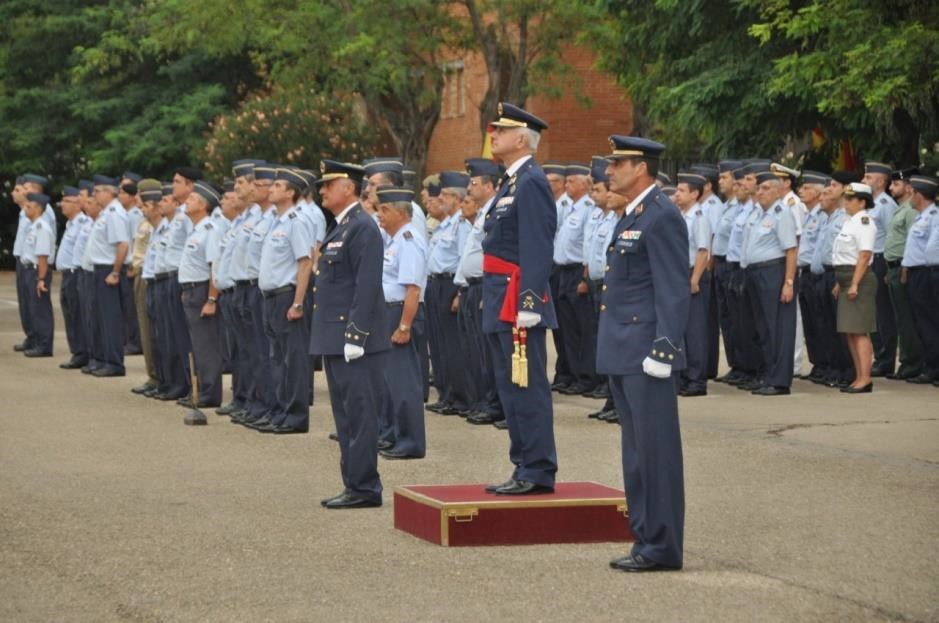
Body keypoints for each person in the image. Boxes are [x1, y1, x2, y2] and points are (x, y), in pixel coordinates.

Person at [597, 135, 689, 572]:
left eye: (618, 163)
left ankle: (662, 545)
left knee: (655, 453)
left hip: (646, 352)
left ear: (642, 168)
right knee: (635, 454)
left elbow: (673, 289)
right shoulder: (632, 214)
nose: (609, 170)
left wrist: (665, 348)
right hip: (623, 349)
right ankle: (644, 537)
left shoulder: (661, 216)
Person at [481, 102, 558, 496]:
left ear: (522, 138)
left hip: (516, 300)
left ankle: (538, 468)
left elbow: (537, 246)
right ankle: (522, 462)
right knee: (509, 387)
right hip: (500, 295)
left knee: (525, 386)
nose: (493, 134)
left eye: (501, 129)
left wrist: (530, 303)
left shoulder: (532, 182)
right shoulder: (512, 182)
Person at [312, 160, 388, 509]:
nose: (322, 190)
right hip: (334, 335)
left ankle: (364, 487)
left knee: (359, 414)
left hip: (353, 339)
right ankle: (353, 483)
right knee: (345, 415)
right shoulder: (341, 227)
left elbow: (367, 285)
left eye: (329, 184)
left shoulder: (362, 227)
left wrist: (356, 334)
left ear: (348, 187)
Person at [248, 167, 315, 434]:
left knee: (293, 359)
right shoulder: (276, 220)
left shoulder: (296, 221)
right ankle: (279, 411)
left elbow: (306, 262)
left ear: (290, 192)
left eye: (277, 186)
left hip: (287, 296)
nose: (271, 189)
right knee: (276, 359)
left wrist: (298, 303)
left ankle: (295, 416)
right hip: (270, 297)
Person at [375, 185, 428, 458]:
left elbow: (413, 289)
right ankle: (396, 435)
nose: (379, 214)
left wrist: (404, 326)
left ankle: (410, 443)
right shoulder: (394, 240)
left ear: (400, 212)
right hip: (389, 312)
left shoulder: (408, 239)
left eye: (384, 209)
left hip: (400, 314)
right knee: (391, 381)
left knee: (404, 381)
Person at [740, 169, 798, 396]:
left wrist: (789, 282)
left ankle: (780, 380)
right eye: (760, 188)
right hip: (754, 273)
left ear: (778, 191)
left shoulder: (781, 212)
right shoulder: (757, 214)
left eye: (766, 189)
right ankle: (768, 375)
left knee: (777, 328)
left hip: (773, 272)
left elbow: (791, 250)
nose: (760, 192)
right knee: (762, 328)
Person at [458, 158, 505, 427]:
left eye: (473, 183)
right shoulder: (484, 211)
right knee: (479, 351)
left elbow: (494, 255)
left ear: (489, 186)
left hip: (486, 287)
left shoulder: (493, 211)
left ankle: (494, 404)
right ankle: (485, 401)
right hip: (474, 287)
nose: (469, 188)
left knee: (489, 353)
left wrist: (489, 290)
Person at [425, 171, 473, 415]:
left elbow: (464, 258)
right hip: (435, 284)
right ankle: (445, 394)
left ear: (457, 198)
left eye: (445, 194)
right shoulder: (445, 224)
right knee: (439, 344)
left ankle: (460, 397)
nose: (440, 198)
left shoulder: (461, 225)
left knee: (453, 345)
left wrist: (459, 293)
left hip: (450, 285)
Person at [177, 180, 225, 419]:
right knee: (196, 344)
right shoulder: (196, 229)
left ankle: (209, 392)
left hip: (201, 292)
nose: (187, 201)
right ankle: (199, 389)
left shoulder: (210, 229)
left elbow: (213, 267)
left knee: (206, 345)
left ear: (204, 205)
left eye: (193, 199)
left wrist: (211, 299)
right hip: (190, 290)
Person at [582, 156, 621, 422]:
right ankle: (610, 397)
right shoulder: (597, 215)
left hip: (611, 286)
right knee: (601, 342)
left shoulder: (621, 218)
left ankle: (618, 401)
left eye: (598, 189)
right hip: (596, 284)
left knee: (614, 343)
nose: (594, 195)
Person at [553, 163, 597, 396]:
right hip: (562, 272)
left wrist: (584, 277)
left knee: (582, 329)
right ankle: (572, 373)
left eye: (571, 181)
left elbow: (588, 245)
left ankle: (586, 376)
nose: (566, 184)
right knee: (567, 329)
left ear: (582, 184)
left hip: (577, 272)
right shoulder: (569, 207)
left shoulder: (588, 208)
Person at [831, 183, 878, 393]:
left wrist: (855, 283)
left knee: (859, 331)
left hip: (859, 279)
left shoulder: (864, 222)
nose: (845, 202)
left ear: (862, 202)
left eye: (850, 199)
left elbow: (864, 255)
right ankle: (859, 376)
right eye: (845, 198)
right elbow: (844, 255)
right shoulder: (850, 222)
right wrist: (839, 283)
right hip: (846, 278)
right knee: (850, 331)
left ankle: (865, 378)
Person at [84, 175, 131, 377]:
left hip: (108, 270)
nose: (94, 195)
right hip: (100, 269)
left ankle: (114, 362)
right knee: (100, 317)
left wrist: (115, 271)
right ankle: (102, 359)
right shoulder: (106, 213)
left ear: (110, 192)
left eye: (97, 191)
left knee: (110, 318)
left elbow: (123, 244)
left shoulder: (114, 213)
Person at [883, 167, 925, 380]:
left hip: (903, 268)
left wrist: (904, 268)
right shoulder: (900, 209)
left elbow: (913, 242)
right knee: (901, 319)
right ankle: (909, 361)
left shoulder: (910, 211)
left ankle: (912, 363)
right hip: (894, 267)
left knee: (908, 320)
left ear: (909, 188)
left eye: (896, 184)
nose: (891, 188)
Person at [674, 172, 711, 397]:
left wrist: (695, 279)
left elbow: (703, 250)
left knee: (695, 330)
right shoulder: (681, 215)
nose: (677, 194)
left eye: (681, 190)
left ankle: (697, 380)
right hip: (680, 274)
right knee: (682, 329)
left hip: (692, 275)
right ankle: (686, 376)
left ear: (695, 194)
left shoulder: (699, 217)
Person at [862, 161, 899, 377]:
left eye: (868, 178)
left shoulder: (886, 205)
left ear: (881, 181)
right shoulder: (869, 204)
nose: (864, 180)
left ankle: (886, 360)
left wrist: (886, 267)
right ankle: (879, 356)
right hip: (868, 261)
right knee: (872, 313)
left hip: (879, 260)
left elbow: (890, 237)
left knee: (883, 313)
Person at [901, 175, 939, 385]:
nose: (910, 196)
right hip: (916, 273)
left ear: (920, 195)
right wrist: (906, 267)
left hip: (926, 274)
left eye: (912, 193)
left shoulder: (934, 216)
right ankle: (930, 366)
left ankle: (935, 367)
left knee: (930, 321)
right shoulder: (920, 217)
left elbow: (933, 250)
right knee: (921, 323)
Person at [129, 180, 163, 395]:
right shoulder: (145, 221)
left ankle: (159, 375)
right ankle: (153, 374)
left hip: (151, 275)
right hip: (142, 273)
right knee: (145, 327)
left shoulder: (158, 223)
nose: (138, 199)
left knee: (154, 328)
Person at [795, 171, 829, 382]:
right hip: (804, 273)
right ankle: (818, 364)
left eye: (806, 188)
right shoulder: (808, 215)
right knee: (810, 323)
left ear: (818, 193)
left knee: (821, 321)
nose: (801, 191)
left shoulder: (823, 215)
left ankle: (827, 364)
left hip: (817, 273)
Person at [56, 186, 92, 369]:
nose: (63, 204)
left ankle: (82, 353)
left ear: (78, 205)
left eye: (67, 201)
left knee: (77, 314)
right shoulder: (71, 224)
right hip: (67, 274)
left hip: (75, 272)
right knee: (69, 313)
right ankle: (76, 351)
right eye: (63, 201)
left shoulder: (83, 223)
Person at [20, 192, 56, 357]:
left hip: (37, 270)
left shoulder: (42, 227)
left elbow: (42, 256)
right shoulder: (33, 226)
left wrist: (41, 279)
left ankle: (44, 345)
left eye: (29, 207)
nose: (25, 209)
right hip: (30, 269)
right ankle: (37, 342)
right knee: (33, 308)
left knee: (40, 309)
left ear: (37, 208)